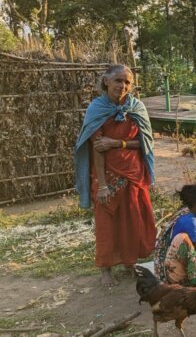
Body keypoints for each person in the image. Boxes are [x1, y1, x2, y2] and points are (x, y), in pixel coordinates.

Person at [74, 64, 157, 287]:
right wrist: (101, 185)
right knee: (106, 223)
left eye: (127, 82)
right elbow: (97, 147)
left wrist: (117, 143)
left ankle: (130, 263)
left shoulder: (136, 107)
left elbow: (145, 143)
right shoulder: (96, 109)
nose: (123, 85)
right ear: (106, 81)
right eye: (118, 80)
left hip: (133, 174)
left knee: (132, 220)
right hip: (107, 176)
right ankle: (105, 269)